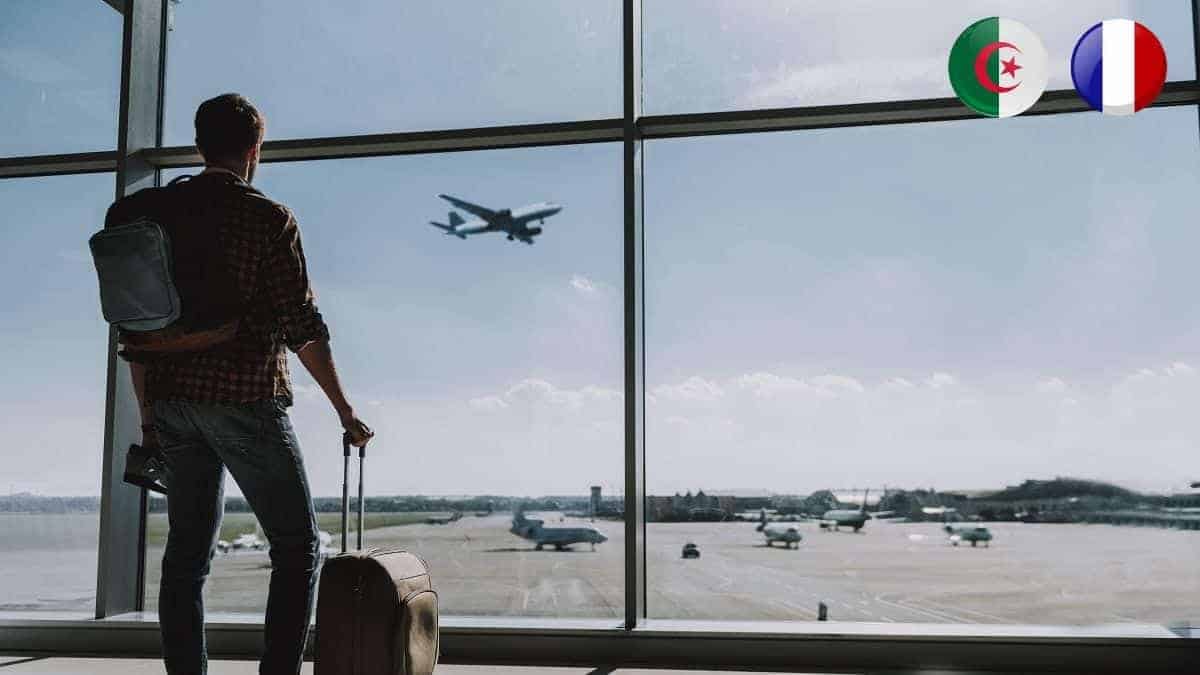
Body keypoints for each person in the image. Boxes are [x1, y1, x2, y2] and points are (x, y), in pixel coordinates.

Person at [105, 93, 372, 675]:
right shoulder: (268, 218)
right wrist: (343, 408)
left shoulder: (155, 216)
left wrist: (150, 417)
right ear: (255, 149)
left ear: (199, 146)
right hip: (245, 398)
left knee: (186, 555)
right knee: (298, 547)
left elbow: (136, 329)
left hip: (173, 403)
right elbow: (303, 327)